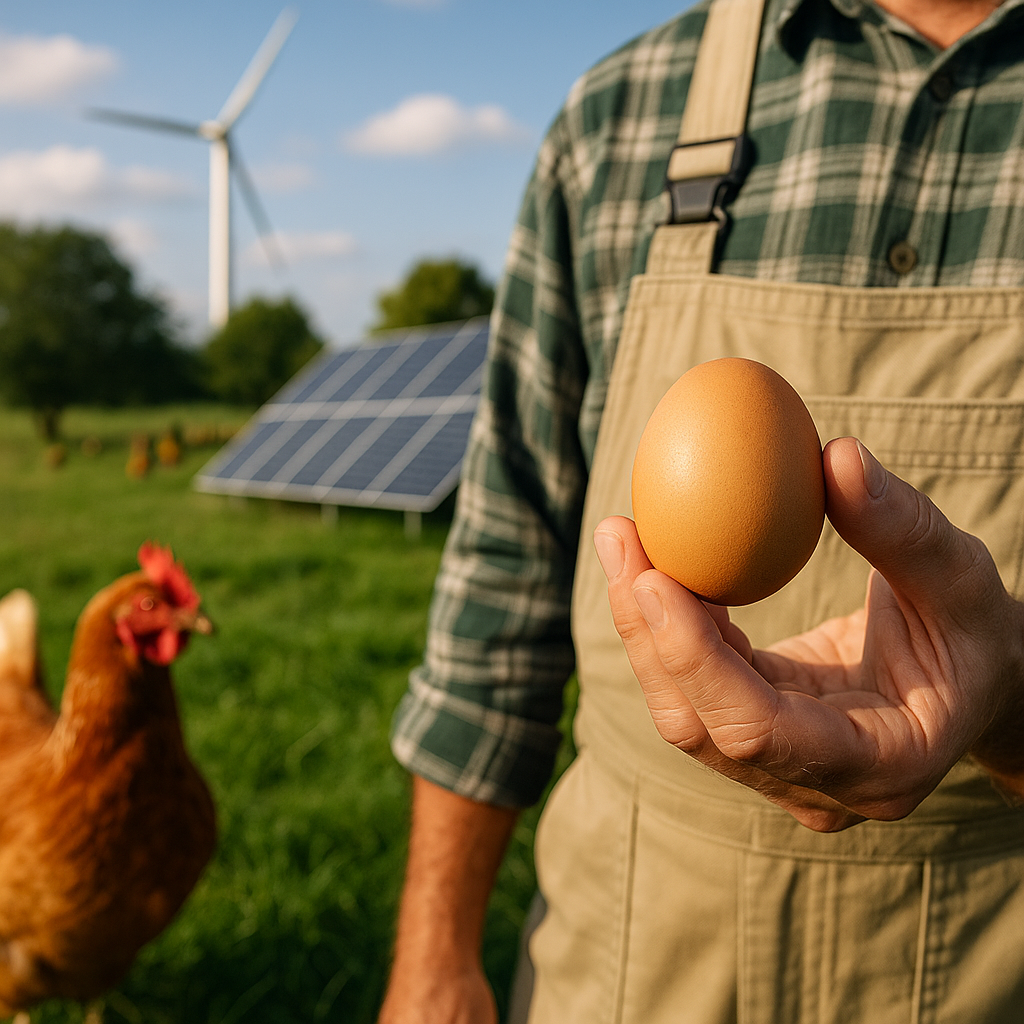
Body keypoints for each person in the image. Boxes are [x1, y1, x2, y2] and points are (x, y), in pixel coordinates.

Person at [379, 0, 1024, 1021]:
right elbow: (501, 580)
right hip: (629, 959)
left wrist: (1014, 712)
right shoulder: (620, 116)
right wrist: (433, 958)